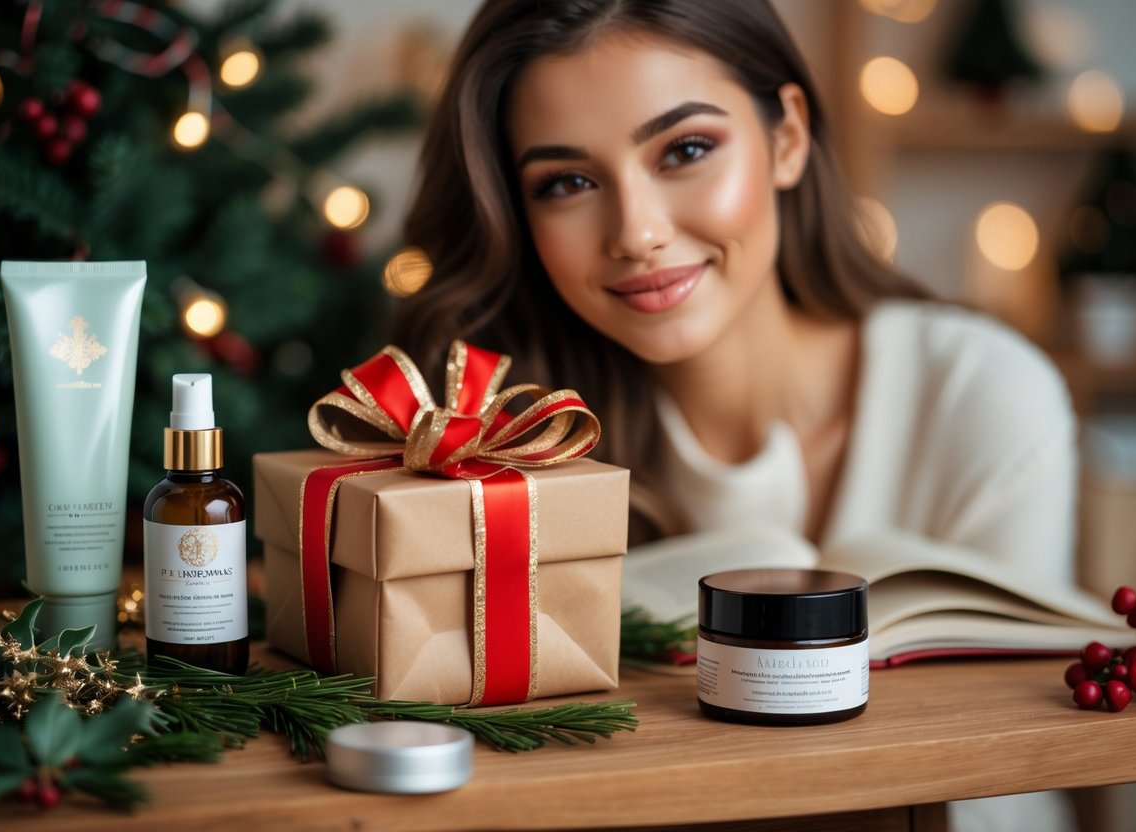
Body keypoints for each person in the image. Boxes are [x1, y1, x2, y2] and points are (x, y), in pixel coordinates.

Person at [390, 2, 1078, 829]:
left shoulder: (981, 393)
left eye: (684, 150)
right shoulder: (496, 444)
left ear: (785, 138)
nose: (637, 233)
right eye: (566, 183)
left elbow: (999, 760)